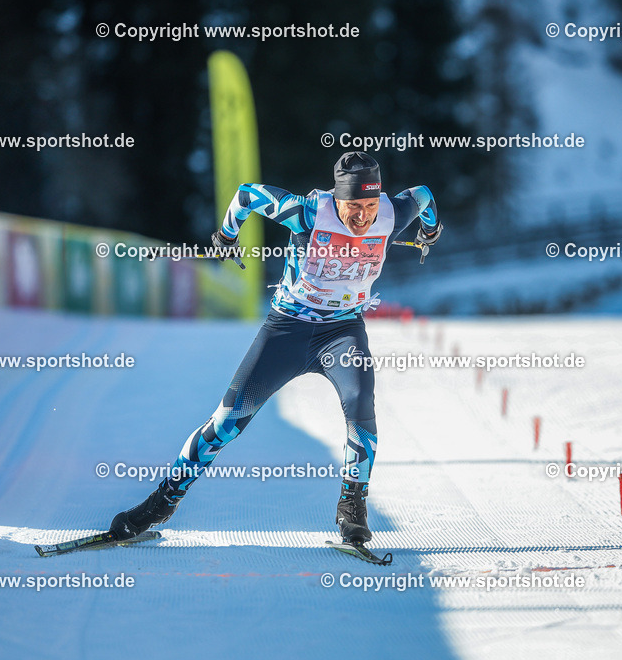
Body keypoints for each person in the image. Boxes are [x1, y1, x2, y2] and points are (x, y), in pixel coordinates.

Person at [109, 151, 442, 545]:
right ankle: (162, 502)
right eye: (353, 206)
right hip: (287, 329)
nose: (363, 217)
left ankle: (352, 508)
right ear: (338, 198)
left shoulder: (391, 212)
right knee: (227, 422)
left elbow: (423, 195)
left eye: (370, 206)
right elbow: (247, 194)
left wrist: (430, 230)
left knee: (360, 404)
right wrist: (226, 236)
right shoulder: (307, 213)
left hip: (343, 331)